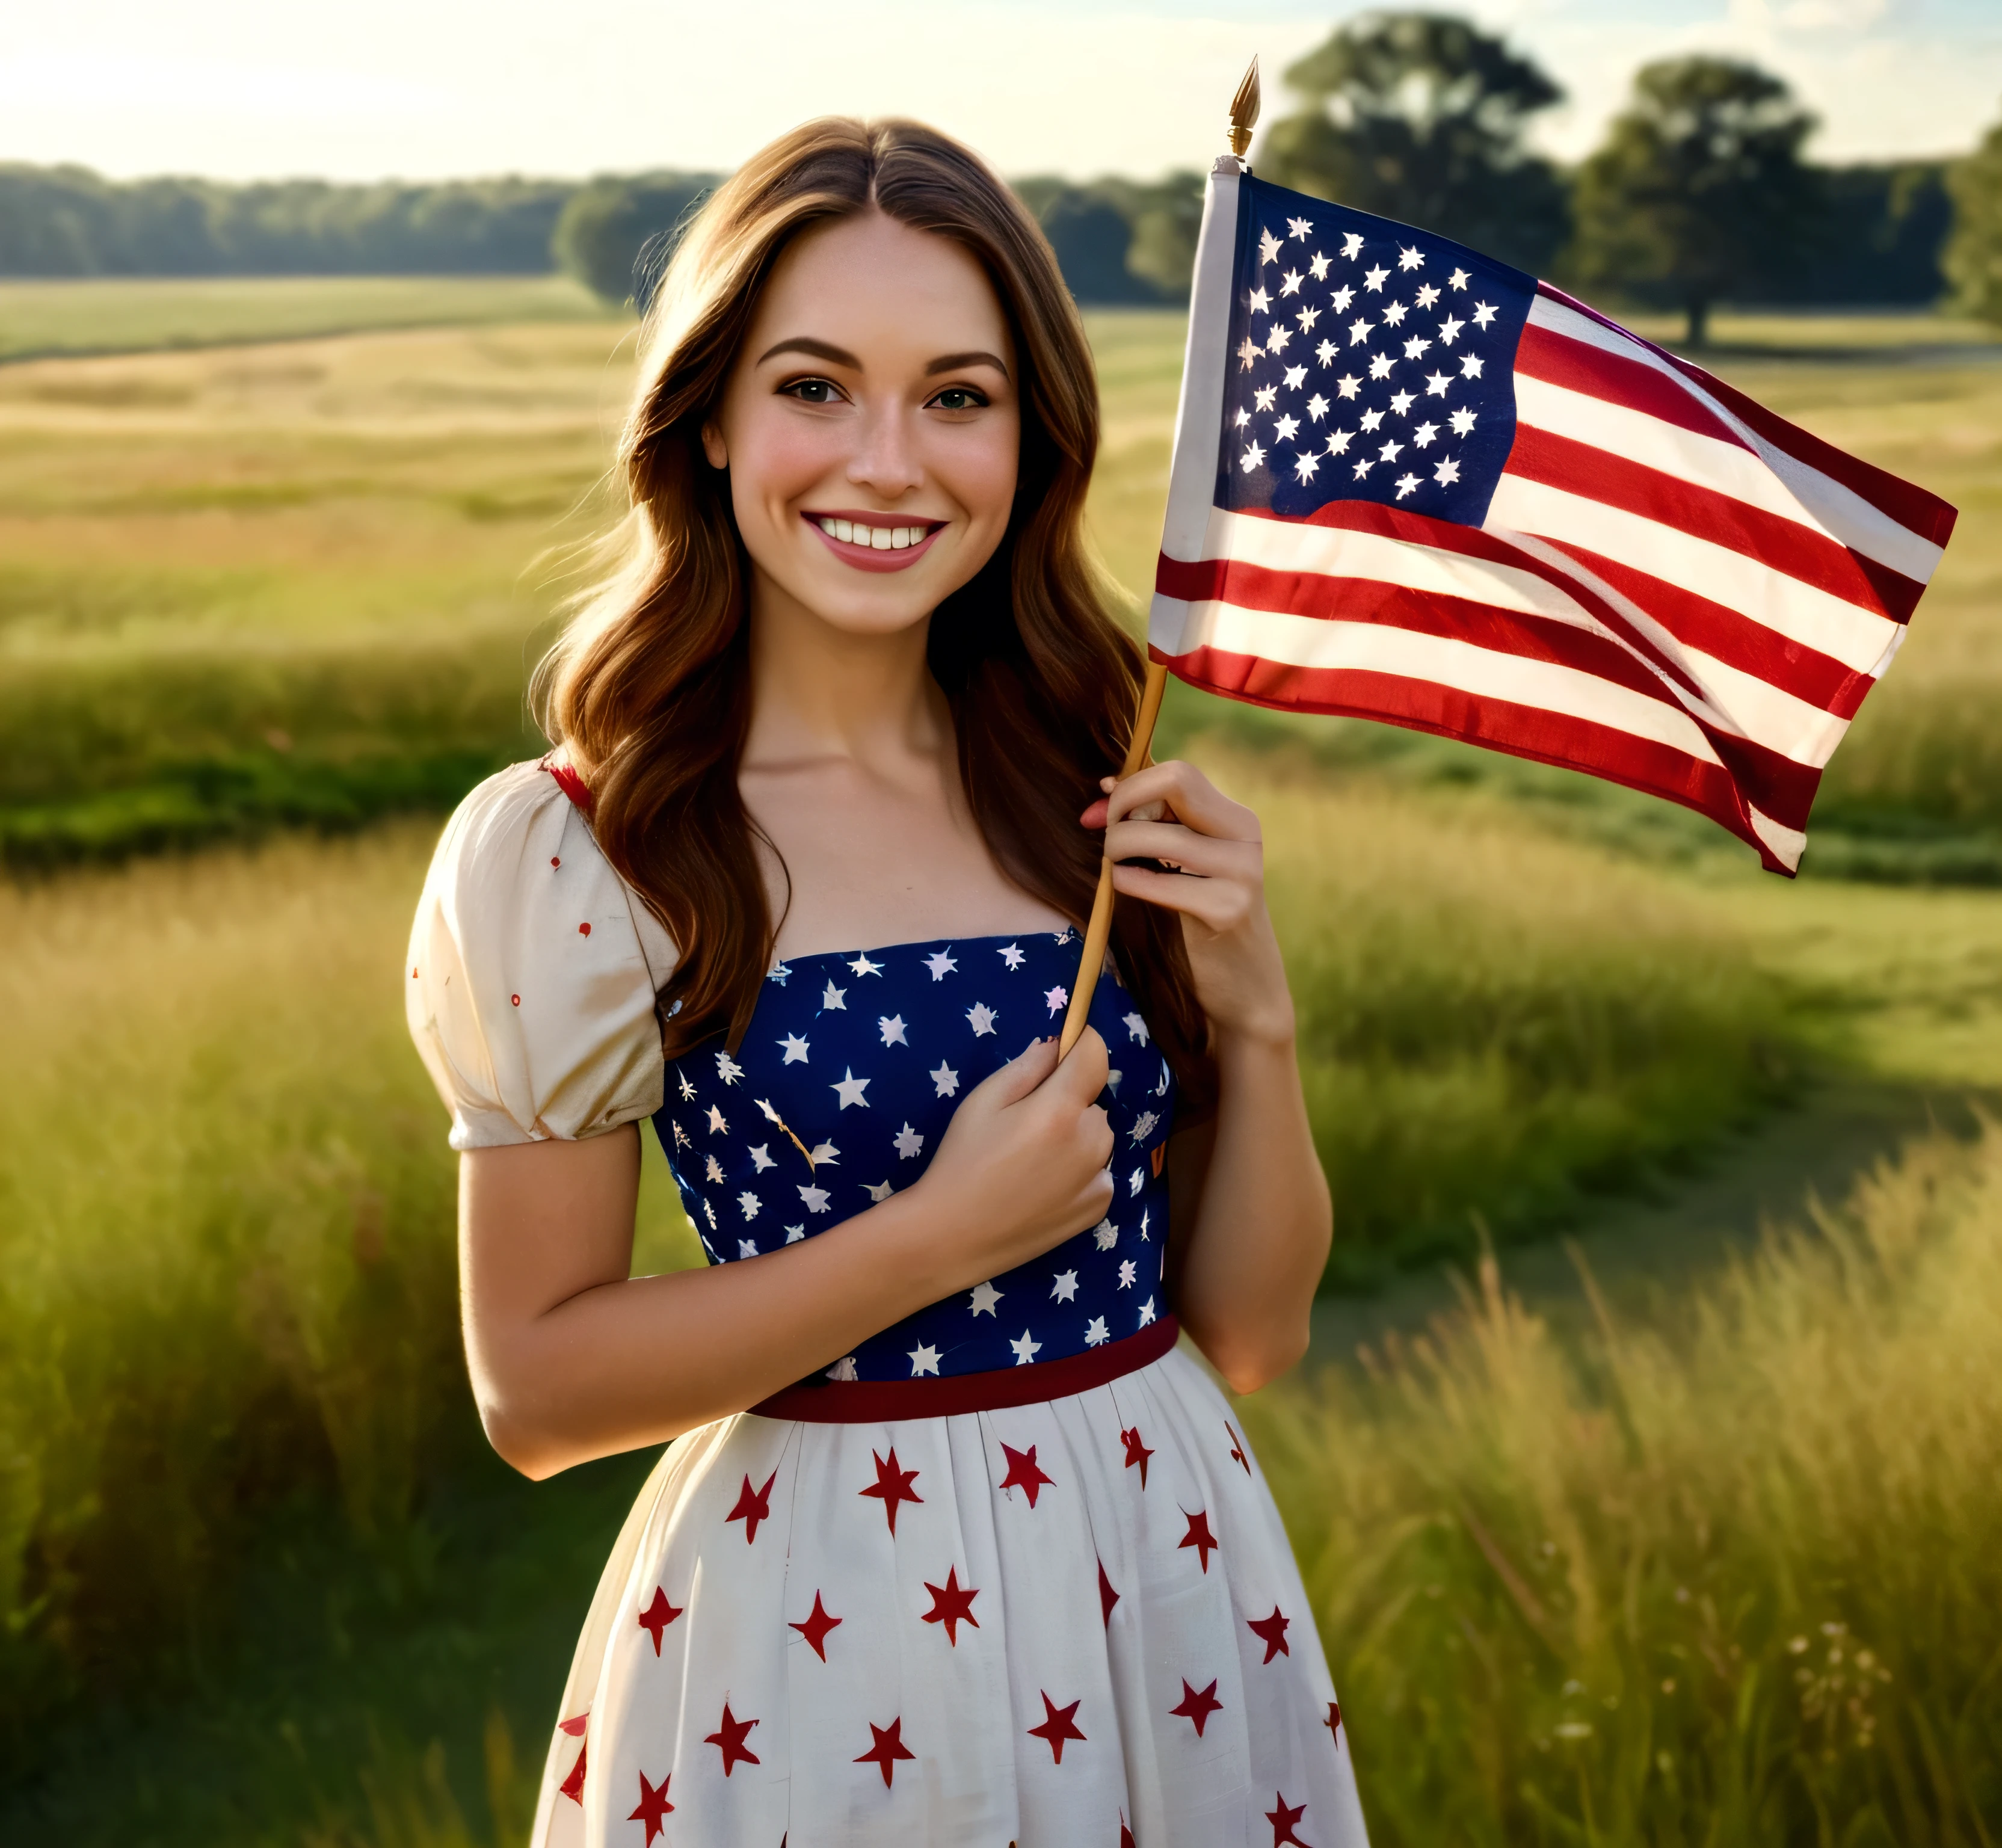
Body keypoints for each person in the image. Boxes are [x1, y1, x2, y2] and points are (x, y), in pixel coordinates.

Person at [407, 115, 1367, 1848]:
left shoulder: (1089, 783)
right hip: (826, 1645)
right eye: (815, 386)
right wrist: (935, 1240)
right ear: (707, 419)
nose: (888, 461)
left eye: (957, 396)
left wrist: (1258, 1013)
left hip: (1165, 1589)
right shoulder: (587, 845)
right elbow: (533, 1393)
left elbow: (1254, 1329)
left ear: (1032, 437)